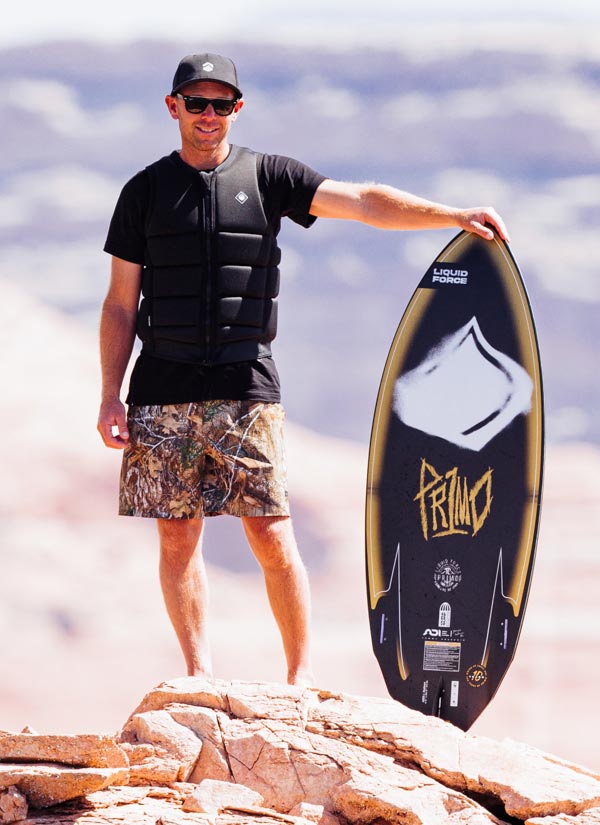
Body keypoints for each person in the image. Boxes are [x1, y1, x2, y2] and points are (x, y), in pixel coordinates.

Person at [97, 52, 508, 688]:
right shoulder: (143, 192)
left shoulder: (270, 177)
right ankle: (200, 676)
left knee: (270, 531)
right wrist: (108, 394)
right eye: (197, 103)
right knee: (177, 538)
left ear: (238, 109)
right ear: (172, 105)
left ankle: (300, 676)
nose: (209, 116)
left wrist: (451, 215)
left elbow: (366, 202)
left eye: (222, 104)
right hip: (161, 388)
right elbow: (121, 303)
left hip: (246, 387)